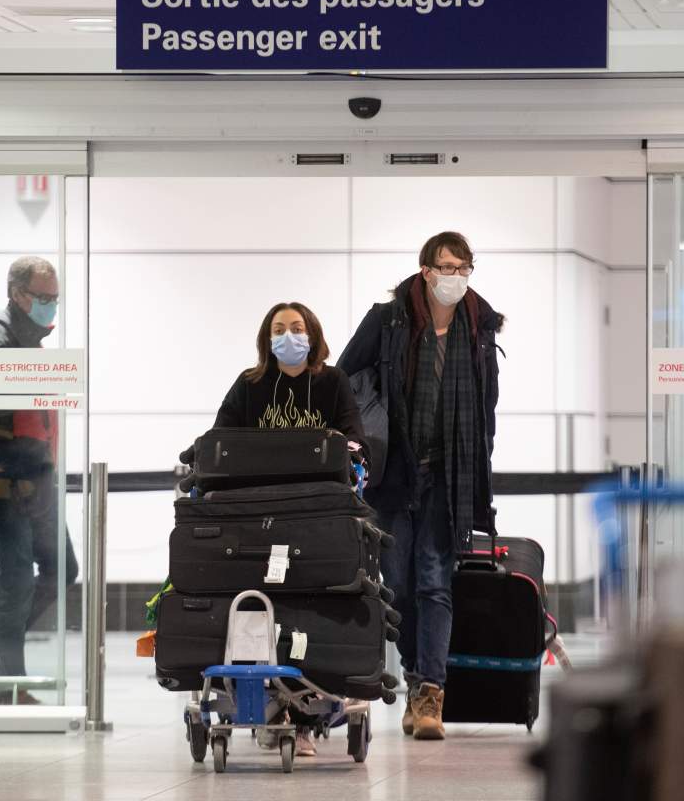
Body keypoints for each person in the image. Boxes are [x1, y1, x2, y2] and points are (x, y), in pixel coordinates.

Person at [337, 231, 503, 741]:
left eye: (462, 268)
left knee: (434, 583)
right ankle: (414, 675)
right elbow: (344, 376)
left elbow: (487, 406)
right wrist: (359, 438)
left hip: (449, 477)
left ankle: (431, 691)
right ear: (425, 270)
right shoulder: (389, 319)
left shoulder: (479, 327)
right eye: (445, 267)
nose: (453, 277)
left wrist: (481, 471)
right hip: (394, 474)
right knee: (399, 586)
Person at [211, 301, 366, 757]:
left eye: (297, 328)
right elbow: (219, 438)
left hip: (318, 515)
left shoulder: (333, 382)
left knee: (309, 608)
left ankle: (303, 719)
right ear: (267, 338)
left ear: (312, 335)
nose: (288, 336)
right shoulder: (250, 384)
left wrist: (350, 453)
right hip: (258, 515)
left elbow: (355, 437)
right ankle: (268, 706)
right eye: (279, 329)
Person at [0, 256, 79, 705]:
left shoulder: (28, 342)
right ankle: (10, 684)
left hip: (33, 477)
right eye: (43, 298)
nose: (51, 307)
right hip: (2, 479)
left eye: (55, 298)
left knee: (62, 568)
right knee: (16, 578)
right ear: (16, 293)